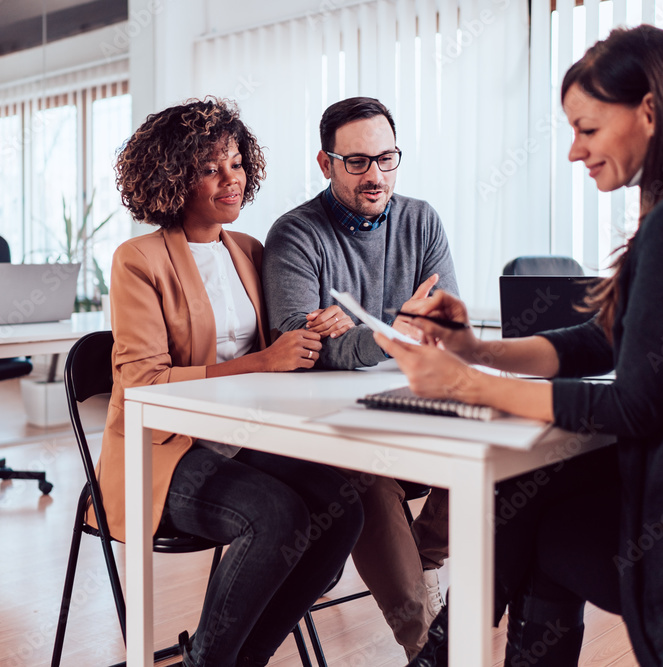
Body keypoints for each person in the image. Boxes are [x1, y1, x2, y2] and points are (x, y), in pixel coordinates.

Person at [381, 25, 663, 667]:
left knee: (527, 511)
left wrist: (463, 386)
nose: (572, 152)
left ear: (650, 110)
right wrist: (475, 350)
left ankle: (437, 658)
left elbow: (634, 407)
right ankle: (440, 657)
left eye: (587, 129)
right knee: (529, 503)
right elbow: (602, 341)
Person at [98, 98, 365, 667]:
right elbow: (146, 382)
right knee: (276, 516)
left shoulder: (248, 250)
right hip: (162, 452)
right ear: (173, 178)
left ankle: (238, 659)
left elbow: (273, 350)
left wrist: (313, 332)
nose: (231, 180)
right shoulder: (137, 260)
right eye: (211, 168)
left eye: (238, 164)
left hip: (240, 440)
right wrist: (264, 361)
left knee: (343, 506)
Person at [263, 96, 457, 661]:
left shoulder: (421, 220)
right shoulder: (297, 235)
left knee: (494, 442)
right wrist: (393, 329)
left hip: (407, 400)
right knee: (366, 479)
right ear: (325, 164)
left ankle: (422, 559)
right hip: (331, 426)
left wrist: (363, 336)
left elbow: (442, 322)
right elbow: (302, 349)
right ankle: (427, 649)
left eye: (387, 158)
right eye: (357, 162)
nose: (376, 175)